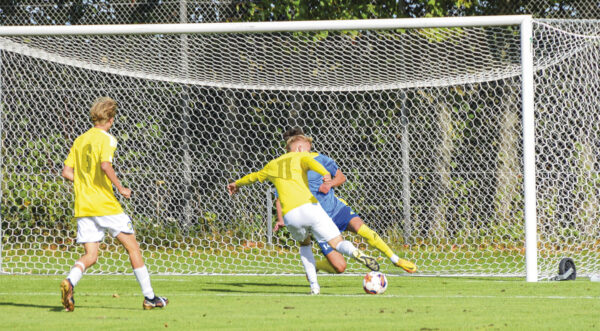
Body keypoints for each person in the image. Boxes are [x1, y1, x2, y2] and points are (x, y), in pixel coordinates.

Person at [227, 135, 379, 295]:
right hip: (311, 208)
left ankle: (314, 286)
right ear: (299, 148)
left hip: (291, 215)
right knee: (337, 242)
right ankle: (355, 252)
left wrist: (236, 184)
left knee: (305, 245)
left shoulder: (272, 165)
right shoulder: (301, 158)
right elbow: (314, 163)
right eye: (307, 149)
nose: (309, 152)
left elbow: (253, 177)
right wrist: (325, 174)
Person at [60, 97, 168, 311]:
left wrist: (84, 182)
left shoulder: (80, 140)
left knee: (91, 256)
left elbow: (66, 172)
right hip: (105, 205)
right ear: (110, 119)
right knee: (133, 248)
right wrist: (121, 187)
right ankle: (150, 297)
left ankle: (70, 281)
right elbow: (105, 165)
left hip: (83, 206)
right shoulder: (107, 139)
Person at [273, 128, 417, 274]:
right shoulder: (285, 169)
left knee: (361, 228)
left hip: (336, 209)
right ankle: (318, 266)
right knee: (340, 267)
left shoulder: (321, 159)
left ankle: (395, 259)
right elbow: (279, 198)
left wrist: (330, 184)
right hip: (319, 221)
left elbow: (341, 177)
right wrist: (281, 219)